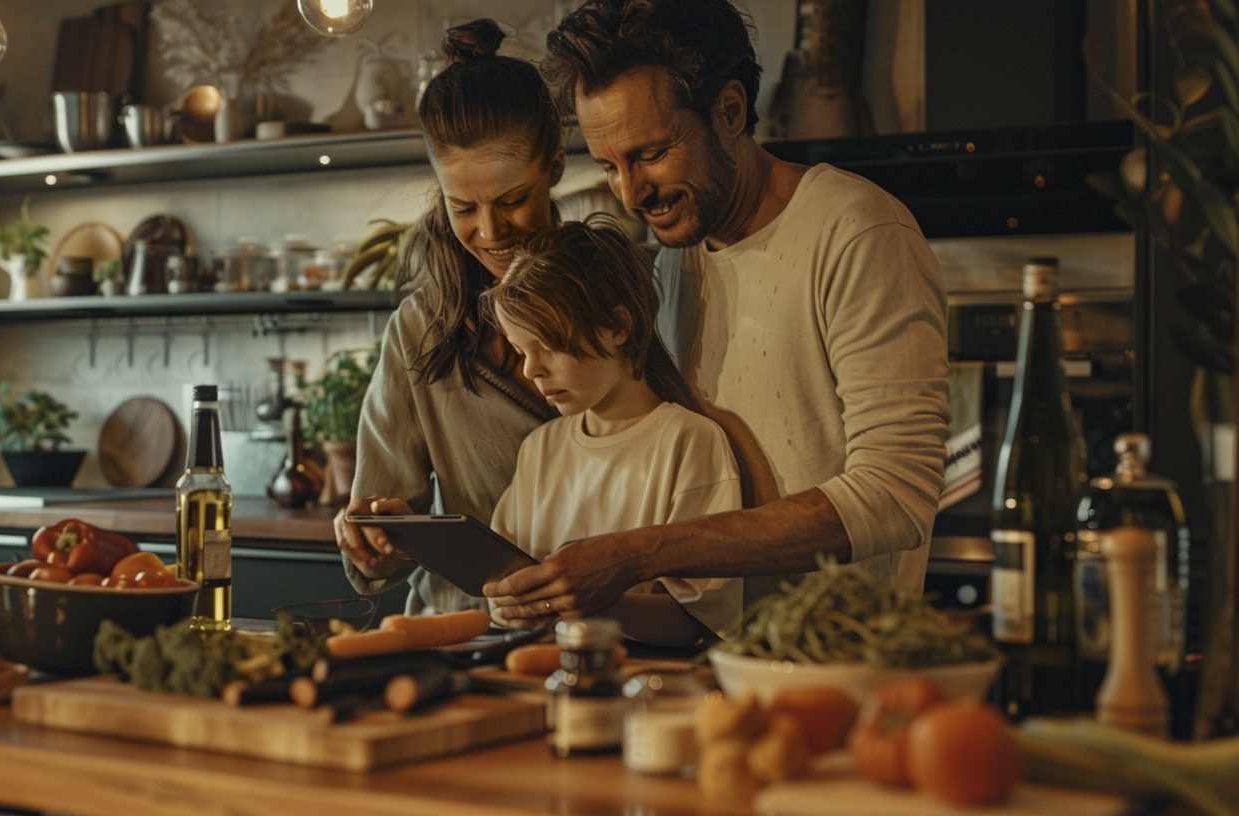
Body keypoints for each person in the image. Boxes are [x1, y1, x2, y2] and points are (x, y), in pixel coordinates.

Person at [486, 0, 950, 624]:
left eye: (650, 153)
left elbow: (894, 495)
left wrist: (639, 554)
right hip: (708, 665)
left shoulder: (857, 231)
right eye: (609, 165)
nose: (630, 192)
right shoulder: (678, 256)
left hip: (839, 663)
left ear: (729, 110)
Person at [333, 19, 566, 615]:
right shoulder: (420, 330)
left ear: (557, 166)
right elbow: (375, 540)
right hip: (459, 635)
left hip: (604, 631)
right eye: (464, 207)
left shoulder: (627, 302)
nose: (490, 233)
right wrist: (376, 542)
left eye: (513, 200)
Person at [482, 218, 742, 645]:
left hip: (648, 686)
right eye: (520, 351)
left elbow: (699, 621)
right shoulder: (540, 449)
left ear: (618, 327)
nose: (531, 370)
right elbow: (503, 578)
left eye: (548, 345)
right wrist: (508, 602)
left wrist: (584, 604)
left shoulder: (687, 441)